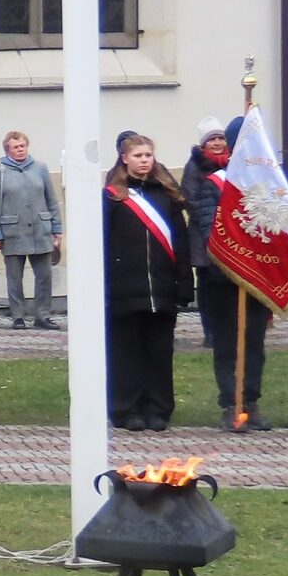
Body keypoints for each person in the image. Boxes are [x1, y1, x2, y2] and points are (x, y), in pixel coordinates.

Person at [186, 115, 275, 431]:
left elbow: (276, 227)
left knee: (254, 344)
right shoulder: (215, 184)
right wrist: (234, 261)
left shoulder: (266, 184)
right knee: (227, 344)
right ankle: (230, 403)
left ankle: (250, 402)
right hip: (223, 278)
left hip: (257, 279)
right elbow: (211, 227)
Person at [103, 134, 193, 431]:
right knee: (125, 353)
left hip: (162, 288)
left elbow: (180, 243)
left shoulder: (166, 196)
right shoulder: (112, 197)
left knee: (159, 352)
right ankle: (126, 409)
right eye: (138, 155)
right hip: (124, 289)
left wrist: (184, 283)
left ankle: (158, 409)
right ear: (124, 158)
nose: (144, 160)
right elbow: (103, 243)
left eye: (148, 155)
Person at [0, 130, 62, 330]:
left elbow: (51, 200)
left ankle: (43, 315)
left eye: (23, 146)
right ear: (8, 150)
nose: (20, 150)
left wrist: (57, 227)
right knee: (14, 277)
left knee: (45, 275)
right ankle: (18, 316)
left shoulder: (40, 168)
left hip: (40, 229)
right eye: (15, 147)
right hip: (13, 231)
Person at [180, 118, 230, 349]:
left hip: (231, 234)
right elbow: (190, 200)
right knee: (208, 285)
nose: (218, 143)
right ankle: (210, 331)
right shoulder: (194, 166)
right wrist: (215, 223)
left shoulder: (233, 163)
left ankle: (229, 326)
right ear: (204, 144)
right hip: (204, 237)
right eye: (212, 139)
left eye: (220, 138)